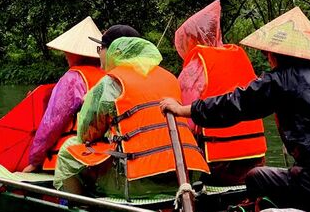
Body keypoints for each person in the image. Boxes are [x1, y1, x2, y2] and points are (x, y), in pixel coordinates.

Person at [161, 7, 310, 212]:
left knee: (256, 177)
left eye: (268, 54)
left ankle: (263, 211)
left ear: (277, 55)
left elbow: (235, 103)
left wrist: (183, 110)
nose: (268, 59)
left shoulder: (283, 79)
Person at [53, 26, 210, 197]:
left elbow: (87, 135)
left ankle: (80, 211)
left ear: (115, 50)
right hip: (184, 175)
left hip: (137, 181)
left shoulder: (109, 82)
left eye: (101, 48)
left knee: (68, 150)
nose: (99, 54)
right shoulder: (170, 77)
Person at [173, 0, 267, 185]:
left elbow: (185, 121)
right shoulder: (238, 56)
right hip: (255, 158)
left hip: (218, 162)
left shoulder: (195, 67)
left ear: (192, 39)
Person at [20, 17, 105, 173]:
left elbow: (52, 123)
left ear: (76, 53)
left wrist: (35, 160)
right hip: (103, 155)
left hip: (70, 157)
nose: (65, 54)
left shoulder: (72, 79)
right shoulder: (108, 76)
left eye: (68, 51)